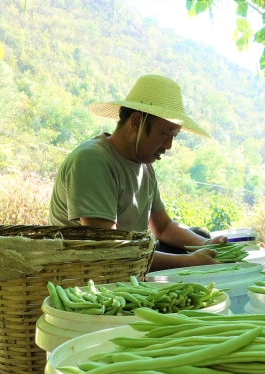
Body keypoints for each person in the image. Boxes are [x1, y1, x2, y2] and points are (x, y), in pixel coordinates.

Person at [48, 74, 226, 270]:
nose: (168, 145)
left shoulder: (145, 167)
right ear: (136, 122)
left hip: (129, 259)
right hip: (91, 272)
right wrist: (190, 262)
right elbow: (109, 248)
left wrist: (205, 246)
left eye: (174, 135)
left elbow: (163, 227)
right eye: (166, 134)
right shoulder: (93, 161)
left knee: (200, 234)